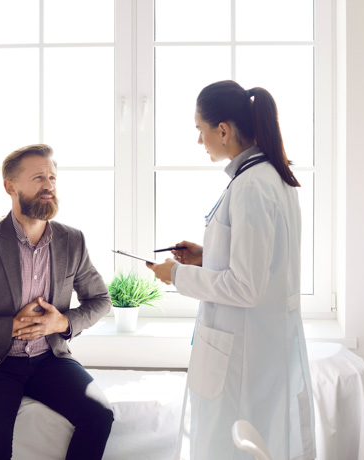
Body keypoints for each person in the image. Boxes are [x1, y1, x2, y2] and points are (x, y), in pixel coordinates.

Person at [147, 80, 316, 460]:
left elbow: (246, 287)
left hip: (243, 351)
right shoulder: (270, 176)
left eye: (200, 130)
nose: (199, 141)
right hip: (259, 343)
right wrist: (206, 256)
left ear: (222, 130)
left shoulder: (252, 186)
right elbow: (266, 264)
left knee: (230, 448)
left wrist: (174, 274)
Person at [0, 144, 114, 460]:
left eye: (52, 178)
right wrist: (11, 327)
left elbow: (100, 300)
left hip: (50, 360)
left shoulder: (72, 240)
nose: (49, 186)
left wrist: (63, 322)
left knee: (100, 416)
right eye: (38, 178)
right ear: (10, 186)